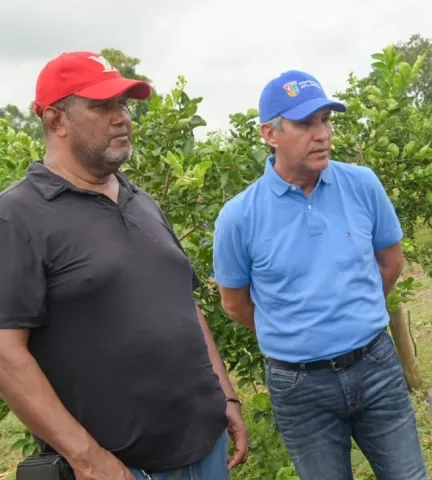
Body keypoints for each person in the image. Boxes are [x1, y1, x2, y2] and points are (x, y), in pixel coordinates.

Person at [0, 51, 248, 480]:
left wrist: (225, 397)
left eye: (124, 105)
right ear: (57, 120)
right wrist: (89, 460)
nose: (122, 118)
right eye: (102, 106)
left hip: (206, 448)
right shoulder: (18, 215)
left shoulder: (141, 200)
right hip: (121, 468)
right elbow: (6, 354)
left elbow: (183, 306)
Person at [212, 69, 428, 480]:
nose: (322, 133)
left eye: (326, 120)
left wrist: (353, 312)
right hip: (299, 388)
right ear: (269, 134)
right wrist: (297, 332)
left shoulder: (362, 185)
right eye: (306, 123)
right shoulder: (239, 217)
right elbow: (235, 303)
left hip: (376, 365)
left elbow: (391, 263)